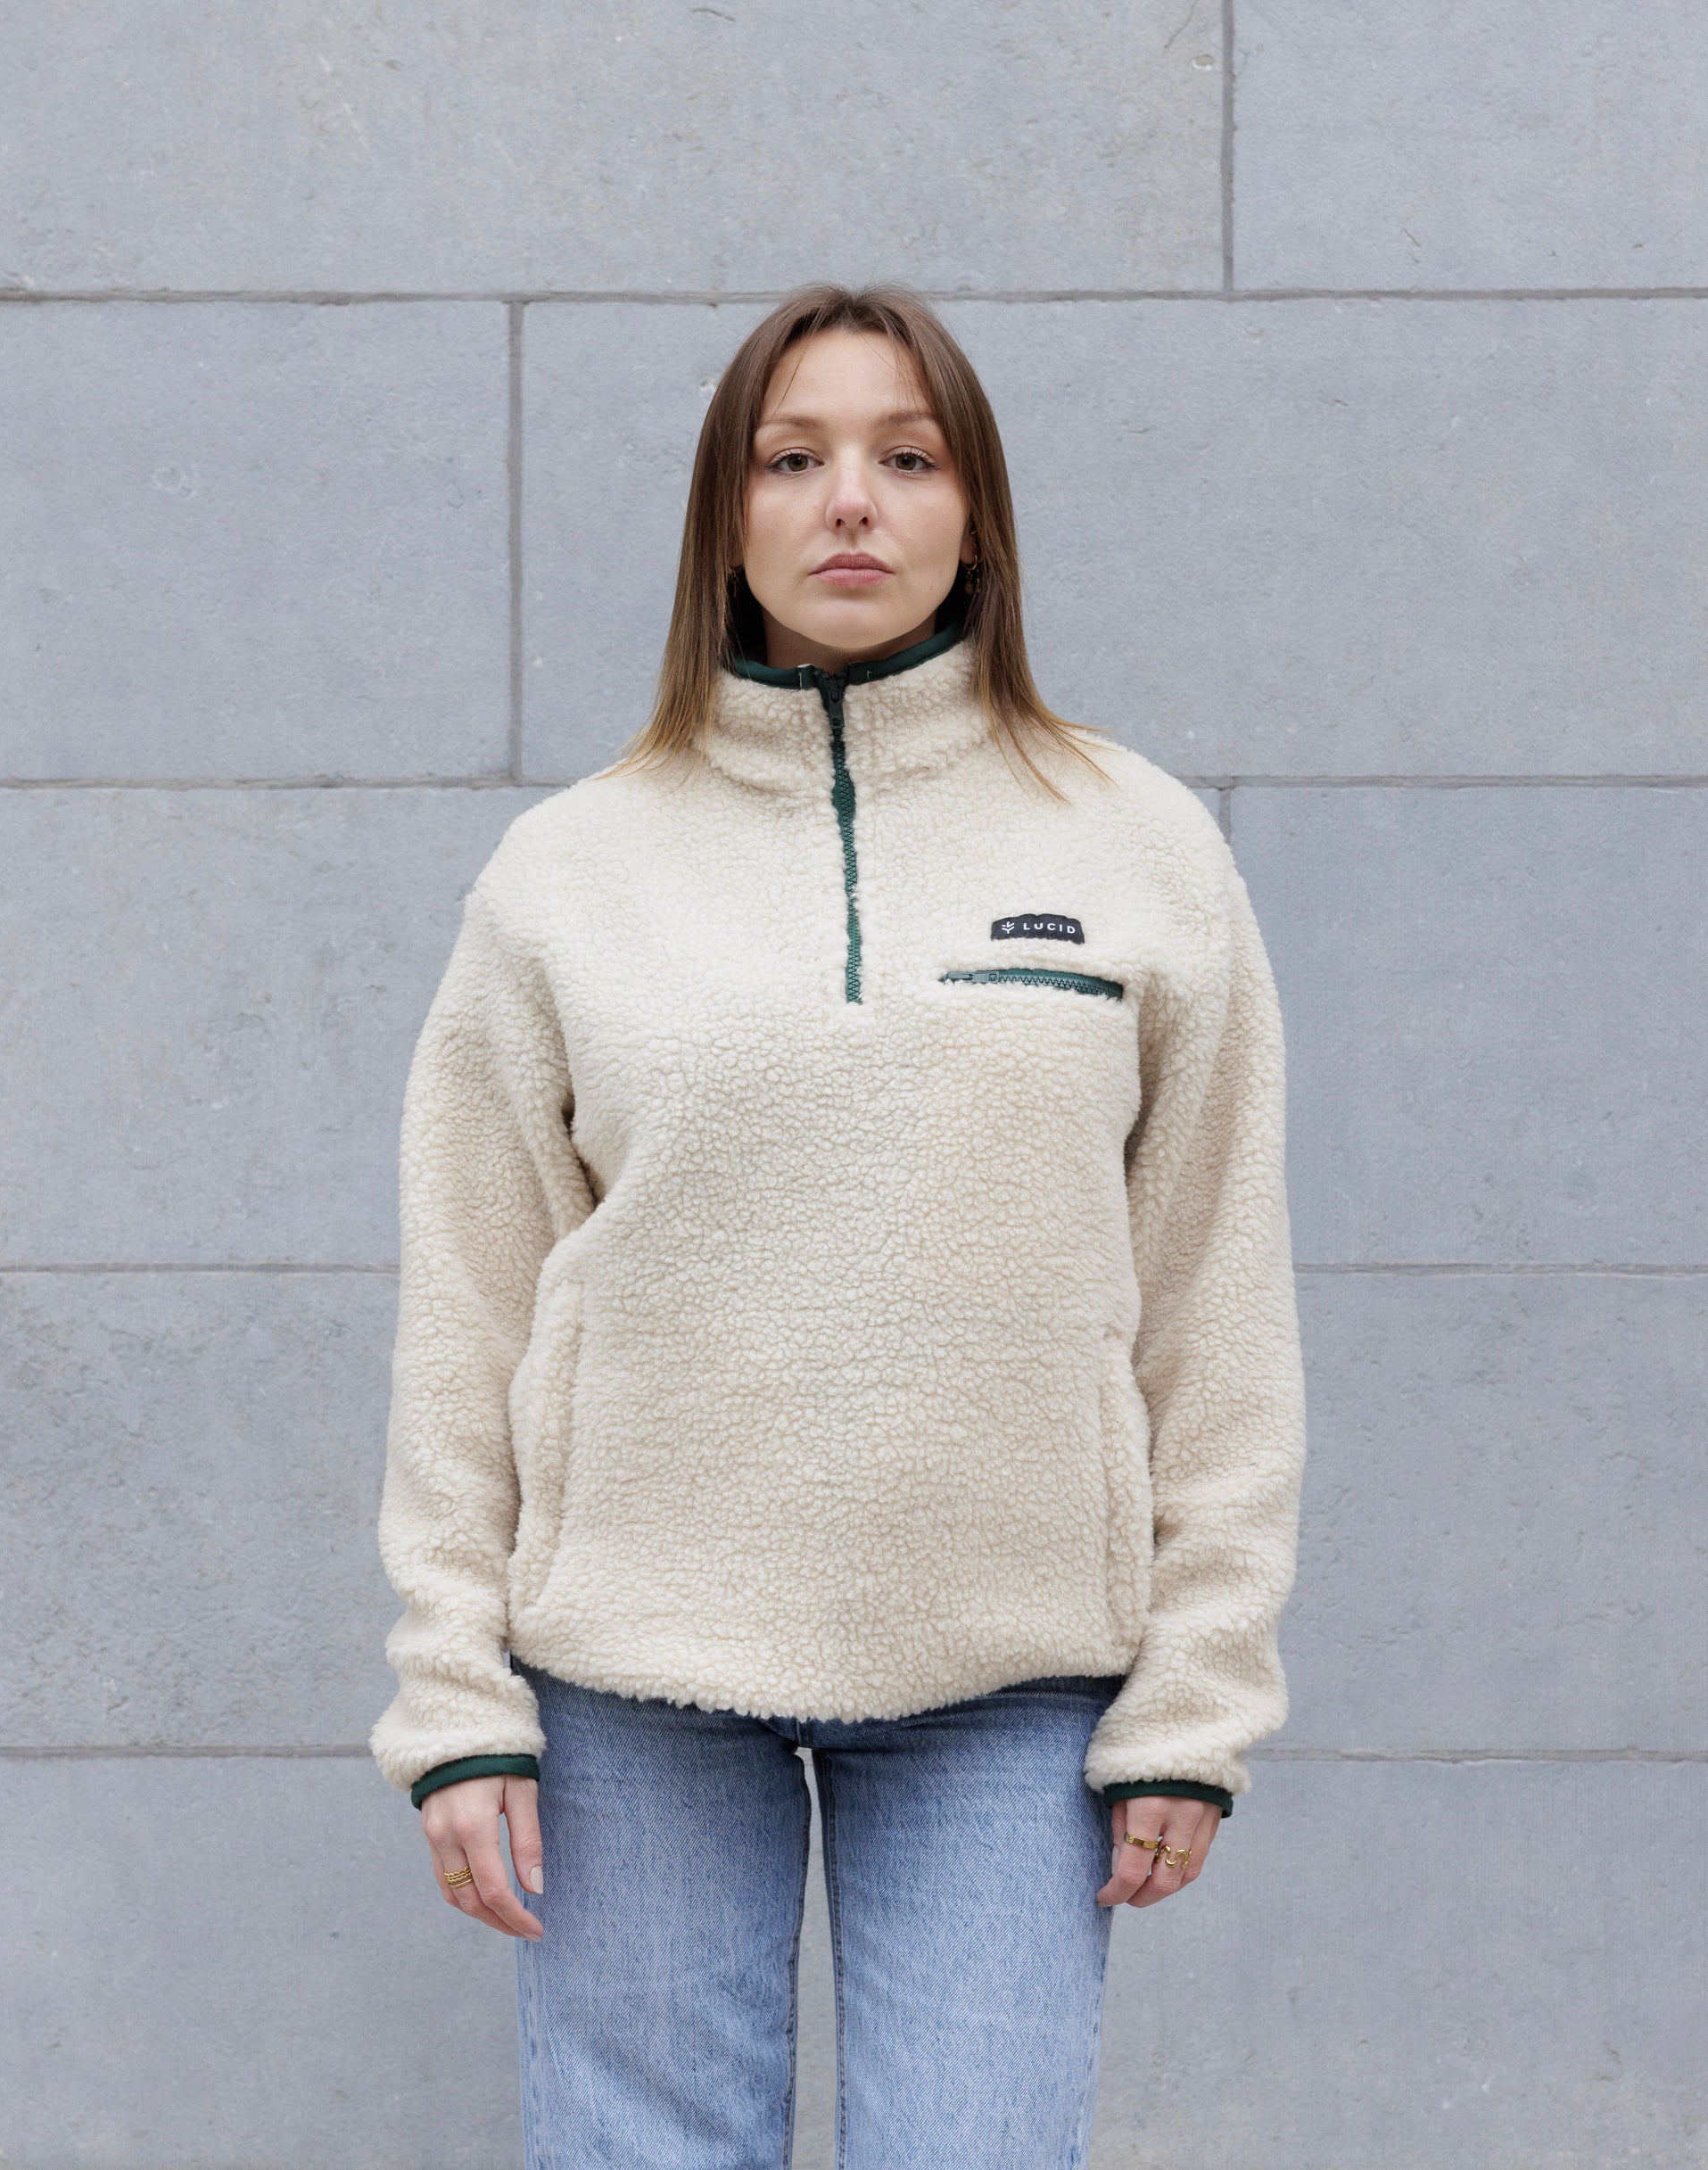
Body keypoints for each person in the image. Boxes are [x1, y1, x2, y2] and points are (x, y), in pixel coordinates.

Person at [370, 283, 1307, 2167]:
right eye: (792, 459)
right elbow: (469, 1304)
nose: (851, 500)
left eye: (907, 455)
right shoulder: (568, 869)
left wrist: (1196, 1692)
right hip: (631, 1669)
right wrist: (454, 1692)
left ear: (978, 513)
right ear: (726, 516)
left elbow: (1214, 1293)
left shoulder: (1136, 842)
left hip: (1011, 1680)